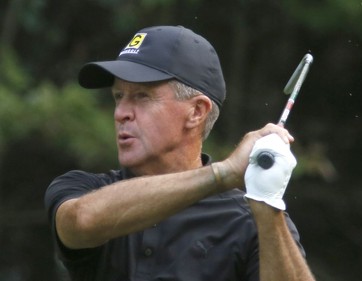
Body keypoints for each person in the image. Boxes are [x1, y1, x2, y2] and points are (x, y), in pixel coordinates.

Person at [45, 25, 315, 281]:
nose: (120, 113)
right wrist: (223, 174)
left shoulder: (248, 221)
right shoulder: (84, 189)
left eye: (141, 96)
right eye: (118, 97)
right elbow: (81, 222)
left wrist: (267, 206)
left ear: (196, 112)